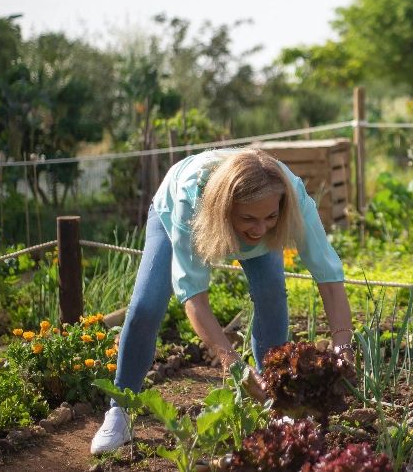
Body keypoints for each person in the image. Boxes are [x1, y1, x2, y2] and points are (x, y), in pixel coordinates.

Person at [90, 148, 354, 454]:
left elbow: (329, 277)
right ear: (227, 209)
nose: (260, 229)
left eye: (271, 216)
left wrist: (342, 345)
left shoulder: (290, 196)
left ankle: (275, 402)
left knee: (272, 297)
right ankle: (119, 410)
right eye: (249, 218)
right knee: (145, 308)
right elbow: (194, 296)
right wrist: (233, 363)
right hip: (178, 211)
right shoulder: (191, 203)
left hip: (245, 214)